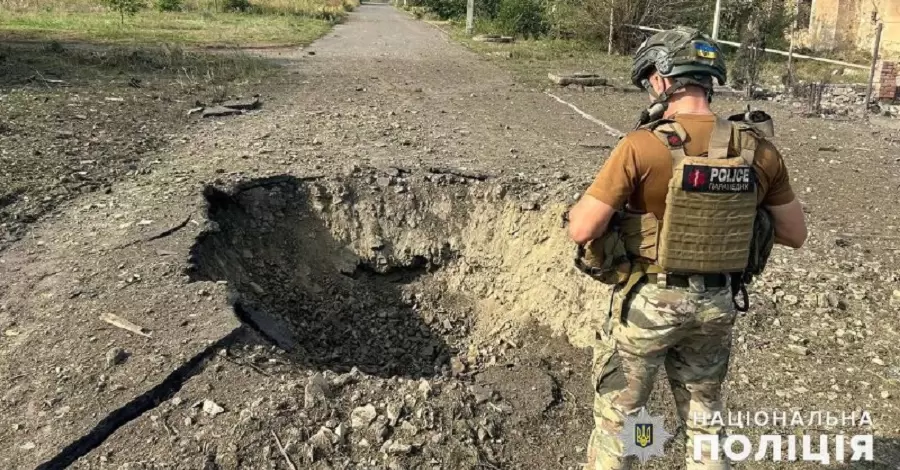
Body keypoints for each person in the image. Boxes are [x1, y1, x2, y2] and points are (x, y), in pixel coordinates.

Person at [566, 26, 807, 470]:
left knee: (623, 418)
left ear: (661, 79)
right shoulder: (759, 150)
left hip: (649, 302)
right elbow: (794, 233)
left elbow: (583, 229)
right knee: (703, 419)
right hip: (718, 302)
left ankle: (641, 451)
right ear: (707, 80)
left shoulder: (641, 146)